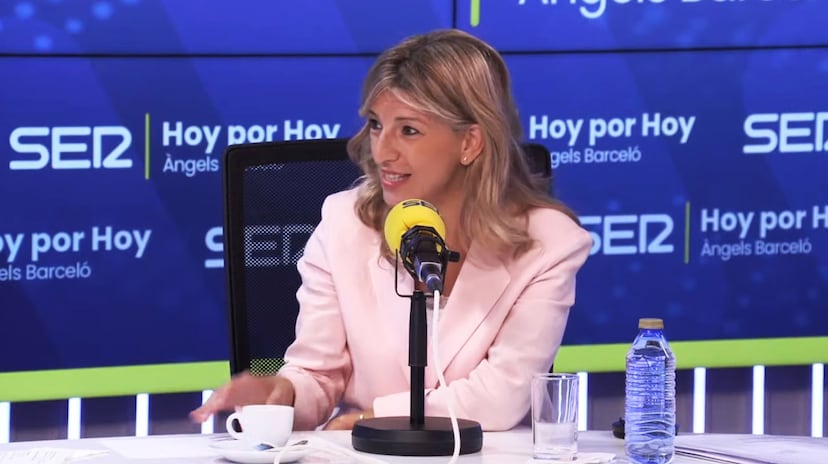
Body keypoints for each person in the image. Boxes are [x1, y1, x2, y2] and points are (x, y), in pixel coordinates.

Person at [191, 29, 592, 432]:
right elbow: (317, 375)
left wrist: (375, 419)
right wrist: (283, 394)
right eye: (376, 125)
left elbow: (501, 397)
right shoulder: (344, 222)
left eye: (409, 130)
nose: (382, 151)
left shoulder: (548, 244)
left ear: (470, 142)